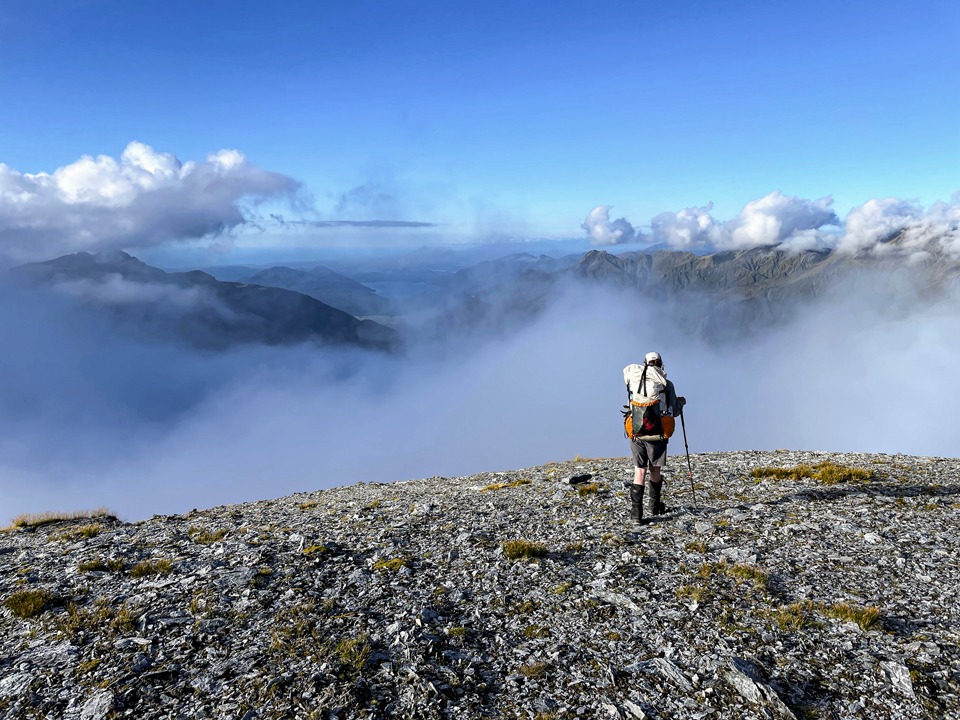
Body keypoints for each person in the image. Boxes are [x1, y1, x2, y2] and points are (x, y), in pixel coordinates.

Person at [627, 351, 684, 524]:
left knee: (639, 470)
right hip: (657, 434)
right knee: (655, 469)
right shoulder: (666, 383)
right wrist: (681, 403)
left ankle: (636, 514)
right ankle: (654, 505)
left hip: (636, 431)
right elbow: (674, 411)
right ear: (660, 364)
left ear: (644, 363)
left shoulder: (633, 380)